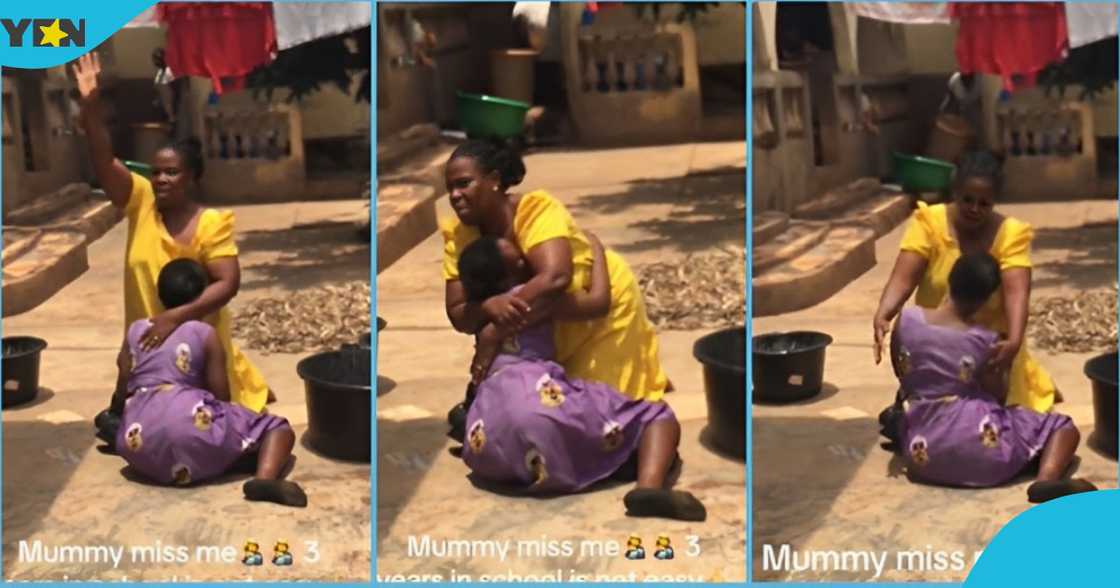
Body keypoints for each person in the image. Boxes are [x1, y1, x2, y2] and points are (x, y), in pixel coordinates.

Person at [73, 53, 271, 417]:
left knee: (209, 420)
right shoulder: (140, 201)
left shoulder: (211, 222)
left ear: (192, 177)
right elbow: (104, 161)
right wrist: (91, 108)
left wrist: (174, 318)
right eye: (157, 172)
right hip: (145, 348)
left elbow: (227, 283)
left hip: (197, 350)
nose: (161, 179)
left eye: (172, 173)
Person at [459, 234, 705, 521]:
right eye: (521, 256)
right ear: (512, 269)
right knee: (655, 415)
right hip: (534, 403)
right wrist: (598, 252)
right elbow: (598, 302)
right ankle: (649, 488)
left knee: (536, 430)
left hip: (485, 444)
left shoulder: (483, 314)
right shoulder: (528, 299)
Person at [440, 140, 672, 425]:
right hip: (539, 323)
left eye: (464, 183)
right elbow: (459, 313)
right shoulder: (460, 235)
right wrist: (489, 305)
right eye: (450, 188)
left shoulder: (536, 211)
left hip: (593, 306)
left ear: (495, 181)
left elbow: (556, 277)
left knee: (604, 418)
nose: (455, 195)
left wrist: (494, 331)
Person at [890, 252, 1096, 503]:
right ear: (987, 298)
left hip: (923, 457)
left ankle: (910, 430)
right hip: (986, 458)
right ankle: (1046, 480)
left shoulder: (907, 320)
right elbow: (997, 395)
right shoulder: (985, 341)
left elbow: (901, 371)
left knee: (909, 415)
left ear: (950, 280)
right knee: (1059, 426)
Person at [112, 258, 307, 507]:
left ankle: (205, 456)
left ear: (159, 295)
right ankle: (264, 478)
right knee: (276, 428)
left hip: (137, 447)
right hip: (189, 427)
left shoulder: (136, 330)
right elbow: (221, 394)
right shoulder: (204, 333)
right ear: (201, 298)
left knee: (165, 431)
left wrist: (118, 416)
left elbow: (123, 384)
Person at [874, 151, 1056, 415]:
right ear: (955, 192)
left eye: (984, 203)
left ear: (994, 201)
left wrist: (1014, 341)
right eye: (967, 199)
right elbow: (904, 277)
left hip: (992, 354)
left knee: (1004, 421)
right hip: (938, 345)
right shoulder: (930, 223)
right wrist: (884, 314)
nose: (974, 209)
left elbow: (1017, 292)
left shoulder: (1010, 233)